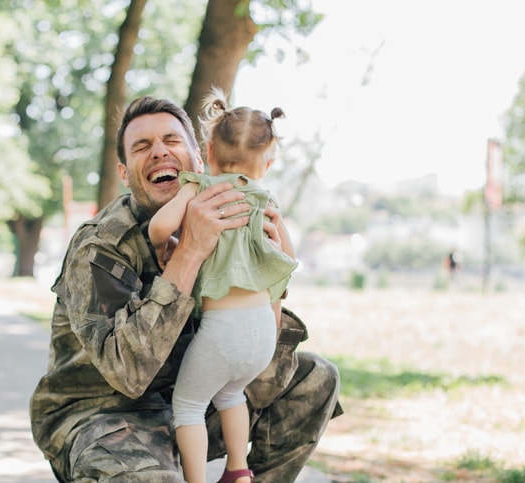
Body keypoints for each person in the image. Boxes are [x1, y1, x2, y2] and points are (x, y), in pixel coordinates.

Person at [29, 95, 342, 483]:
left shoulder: (236, 213)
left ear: (200, 158)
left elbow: (254, 355)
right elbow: (127, 374)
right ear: (125, 175)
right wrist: (189, 253)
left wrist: (267, 271)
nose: (159, 151)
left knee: (314, 378)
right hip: (106, 413)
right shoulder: (101, 247)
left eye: (172, 141)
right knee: (146, 476)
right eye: (143, 146)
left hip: (194, 391)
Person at [148, 89, 297, 483]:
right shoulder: (265, 199)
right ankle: (238, 470)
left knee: (189, 405)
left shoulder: (199, 187)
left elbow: (159, 227)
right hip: (262, 331)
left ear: (207, 151)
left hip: (222, 330)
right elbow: (287, 257)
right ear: (267, 162)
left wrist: (168, 244)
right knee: (231, 395)